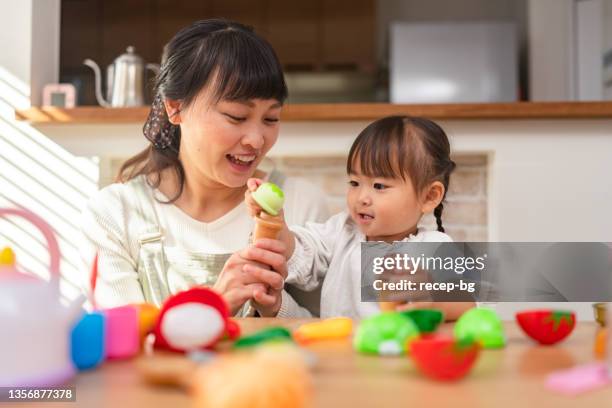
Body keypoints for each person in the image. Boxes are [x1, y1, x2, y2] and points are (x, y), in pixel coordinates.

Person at [80, 19, 328, 317]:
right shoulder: (114, 214)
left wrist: (276, 306)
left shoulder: (302, 206)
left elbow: (332, 331)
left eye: (271, 119)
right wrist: (215, 306)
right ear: (175, 108)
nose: (256, 140)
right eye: (236, 116)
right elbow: (122, 341)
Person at [246, 116, 475, 319]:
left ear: (429, 196)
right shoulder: (342, 231)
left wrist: (432, 299)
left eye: (379, 186)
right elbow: (300, 252)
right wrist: (275, 223)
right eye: (355, 183)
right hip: (341, 357)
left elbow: (467, 303)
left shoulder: (435, 247)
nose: (362, 197)